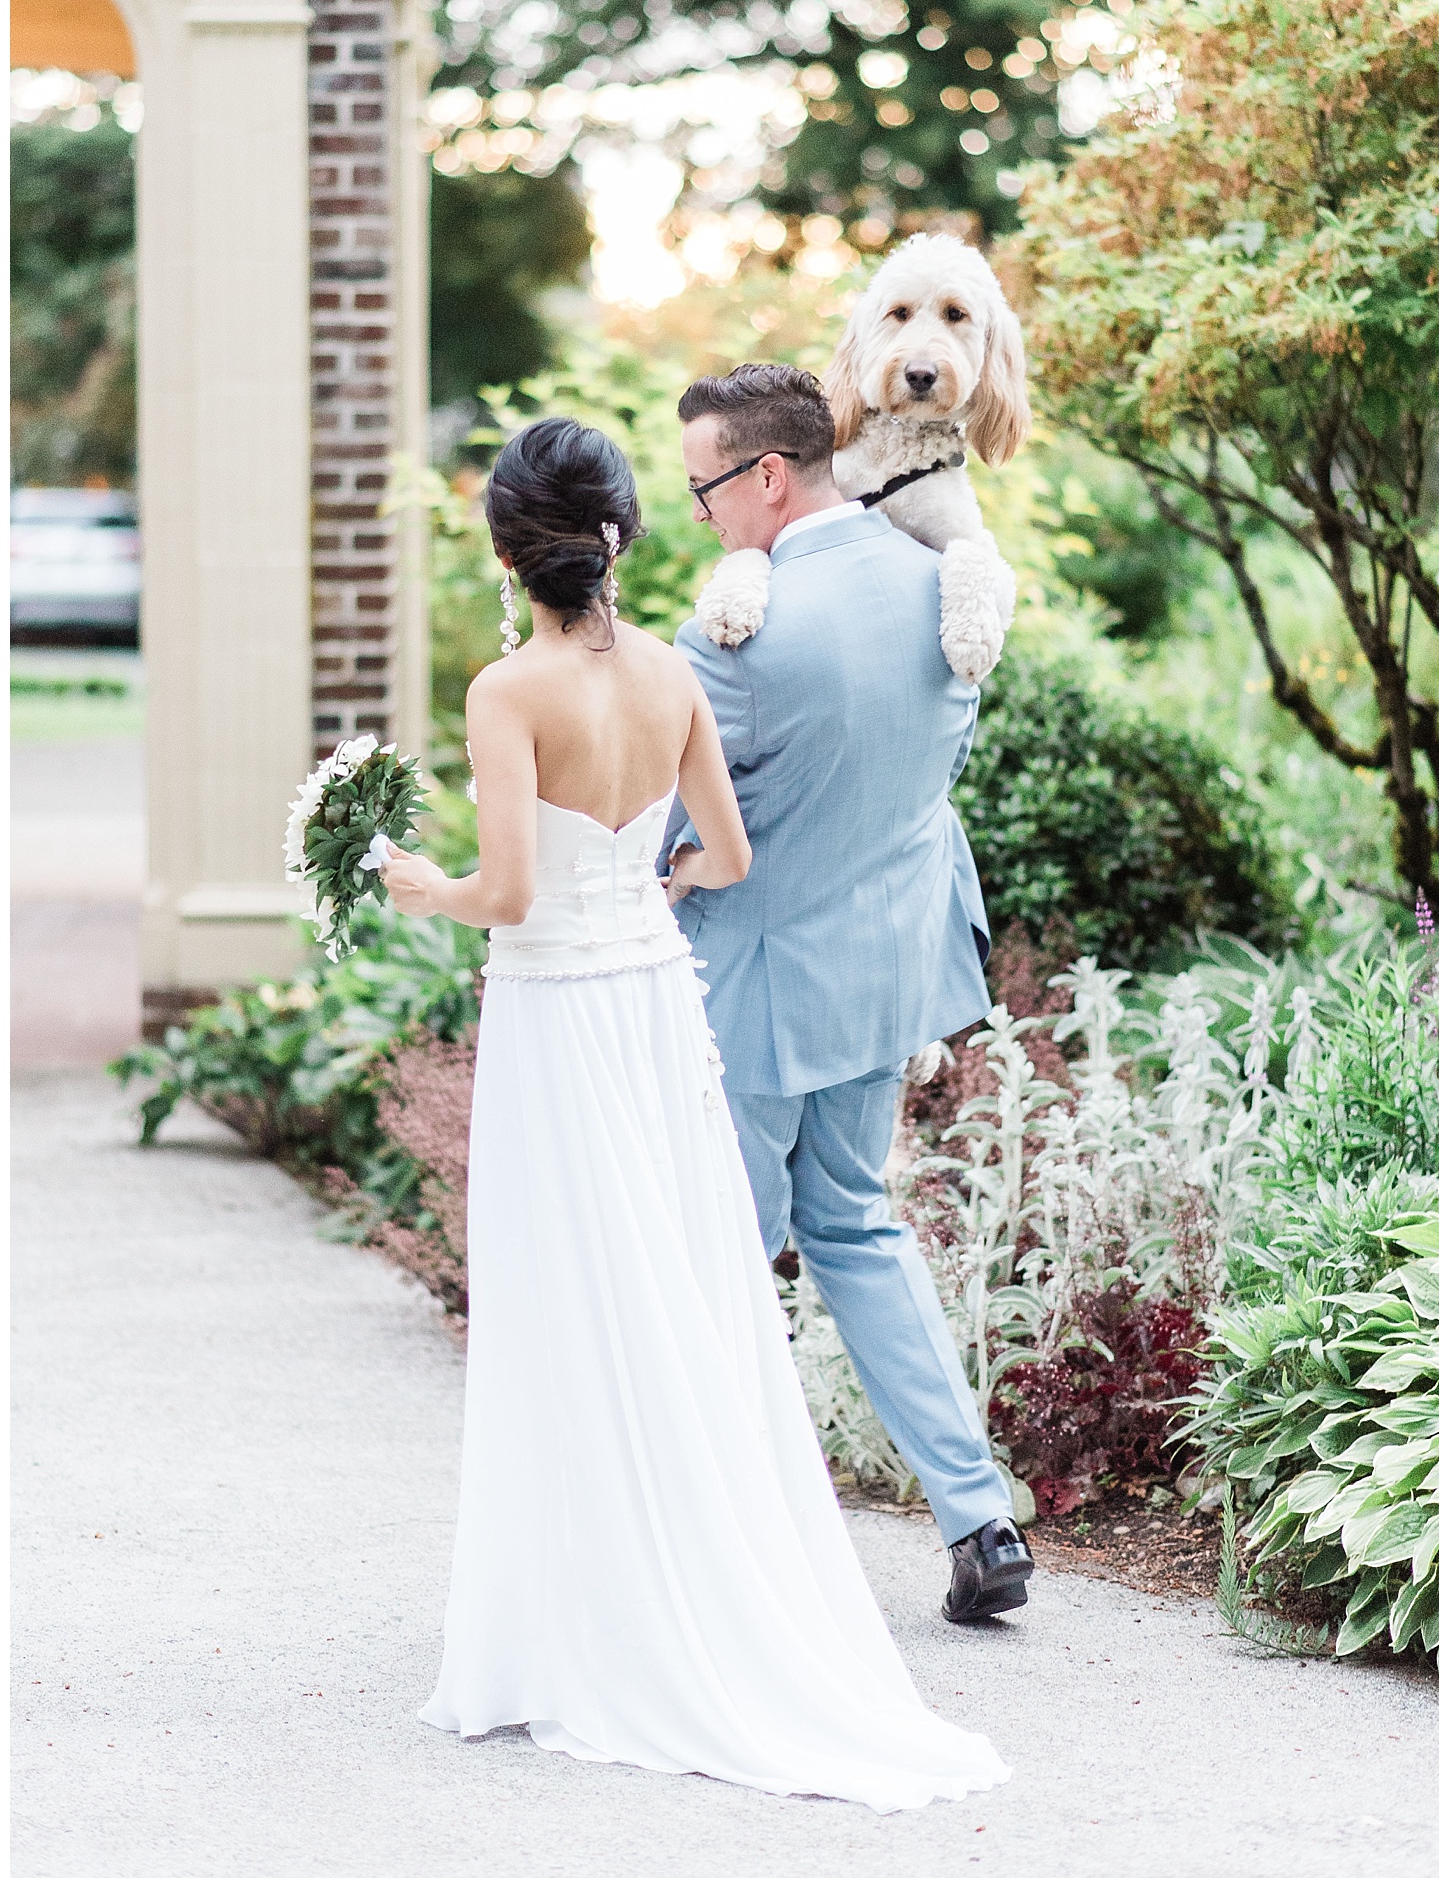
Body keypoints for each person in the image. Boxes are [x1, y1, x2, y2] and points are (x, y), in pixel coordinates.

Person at [380, 415, 1006, 1810]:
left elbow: (507, 895)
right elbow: (721, 851)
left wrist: (420, 883)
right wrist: (650, 892)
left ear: (507, 548)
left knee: (568, 1293)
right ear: (616, 539)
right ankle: (692, 1569)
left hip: (556, 1014)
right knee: (677, 1281)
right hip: (659, 1007)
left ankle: (574, 1607)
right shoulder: (671, 672)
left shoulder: (505, 692)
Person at [662, 364, 1034, 1626]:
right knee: (856, 1227)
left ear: (768, 474)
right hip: (889, 972)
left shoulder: (731, 638)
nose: (699, 511)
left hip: (757, 996)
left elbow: (678, 841)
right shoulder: (950, 589)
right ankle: (981, 1517)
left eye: (705, 482)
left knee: (726, 1253)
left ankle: (720, 1543)